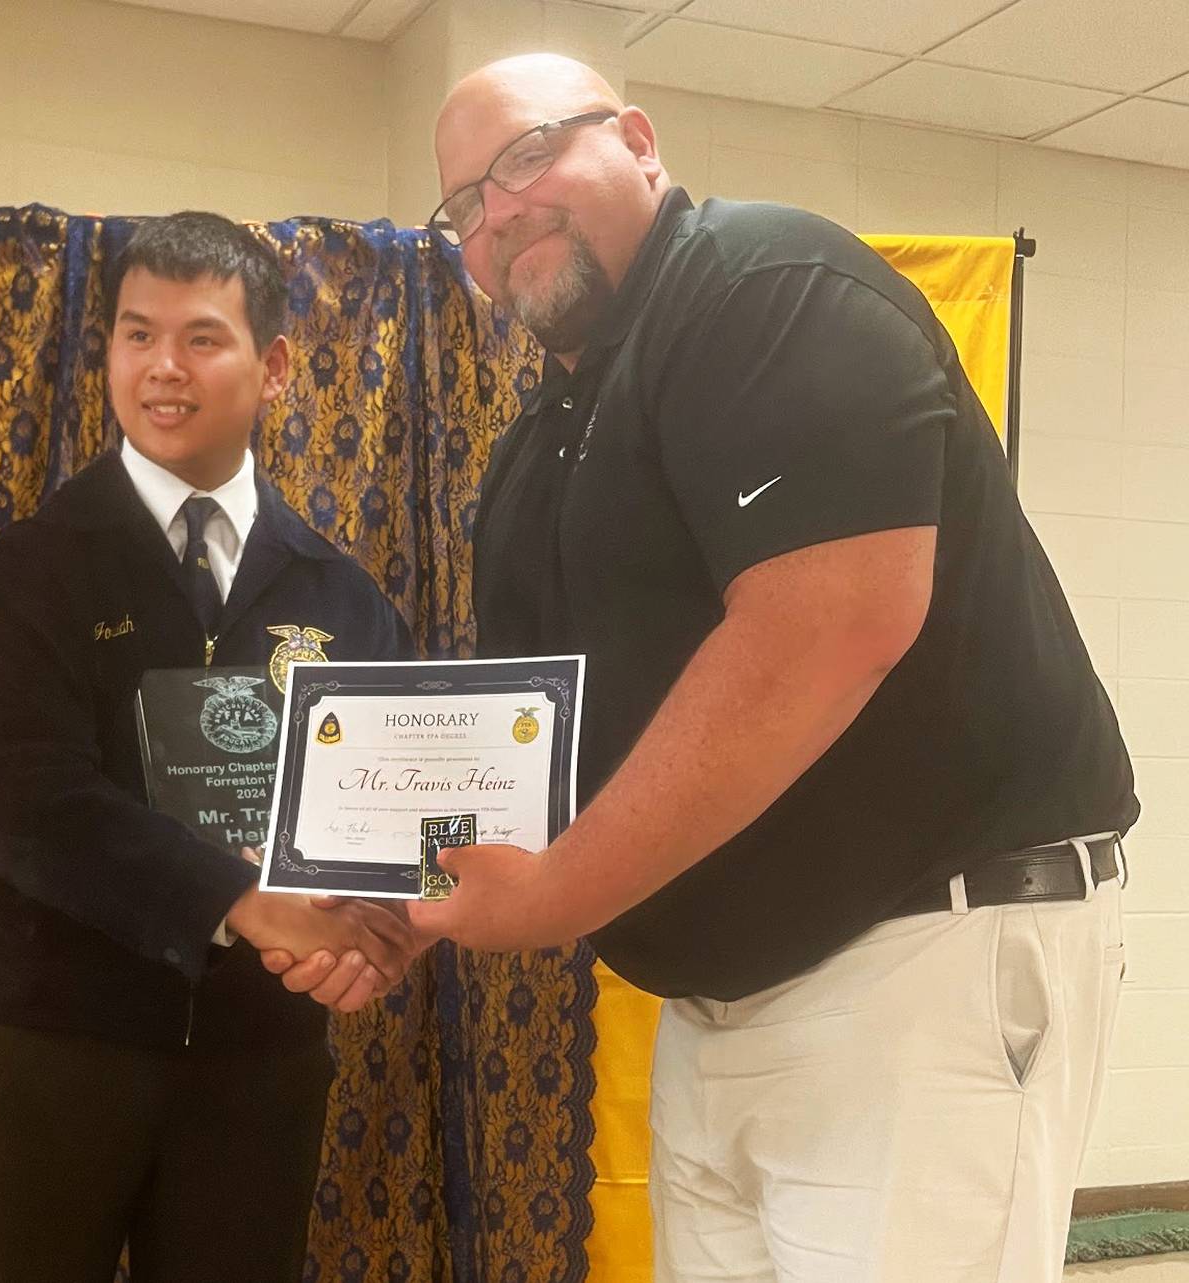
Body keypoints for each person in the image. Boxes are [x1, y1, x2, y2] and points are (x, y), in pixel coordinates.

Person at [268, 55, 1139, 1283]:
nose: (499, 211)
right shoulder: (541, 446)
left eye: (526, 157)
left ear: (636, 138)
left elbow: (830, 624)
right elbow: (537, 751)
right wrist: (416, 900)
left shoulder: (768, 288)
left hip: (921, 963)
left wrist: (556, 891)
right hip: (719, 1005)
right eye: (463, 203)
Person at [0, 211, 414, 1283]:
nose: (161, 369)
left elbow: (383, 813)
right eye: (136, 335)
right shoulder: (32, 569)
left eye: (200, 337)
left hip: (260, 1064)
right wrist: (243, 898)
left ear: (273, 365)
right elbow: (36, 811)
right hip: (52, 1051)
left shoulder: (343, 594)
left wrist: (378, 930)